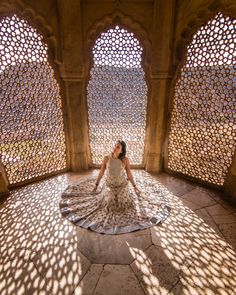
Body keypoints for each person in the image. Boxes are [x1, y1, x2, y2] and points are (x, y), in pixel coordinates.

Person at [60, 140, 170, 234]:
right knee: (109, 202)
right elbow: (101, 172)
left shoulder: (125, 160)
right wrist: (96, 185)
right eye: (115, 146)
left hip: (122, 185)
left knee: (123, 203)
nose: (115, 148)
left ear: (121, 150)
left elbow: (129, 174)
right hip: (109, 186)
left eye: (118, 147)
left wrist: (135, 186)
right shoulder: (106, 158)